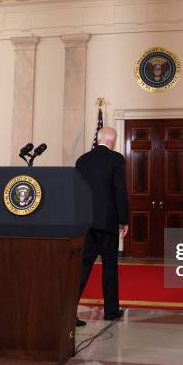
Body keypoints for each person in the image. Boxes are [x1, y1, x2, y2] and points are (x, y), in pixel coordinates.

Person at [75, 127, 129, 326]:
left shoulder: (82, 160)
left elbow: (77, 192)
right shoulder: (116, 159)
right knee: (109, 267)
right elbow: (119, 191)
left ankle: (69, 311)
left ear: (98, 139)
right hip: (107, 223)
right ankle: (111, 312)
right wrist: (123, 220)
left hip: (85, 223)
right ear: (113, 141)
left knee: (81, 268)